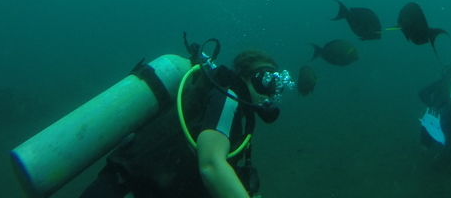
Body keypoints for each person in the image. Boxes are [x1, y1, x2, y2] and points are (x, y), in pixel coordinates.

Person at [80, 41, 293, 198]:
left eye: (275, 86)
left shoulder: (218, 98)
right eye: (265, 81)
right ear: (245, 76)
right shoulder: (229, 98)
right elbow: (211, 165)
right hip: (127, 190)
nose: (269, 93)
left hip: (122, 186)